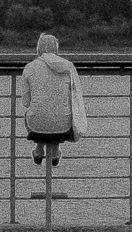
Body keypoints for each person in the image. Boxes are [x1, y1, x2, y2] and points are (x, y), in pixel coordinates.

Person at [19, 31, 88, 160]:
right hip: (63, 125)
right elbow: (74, 95)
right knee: (58, 111)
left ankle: (39, 149)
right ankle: (55, 151)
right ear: (56, 48)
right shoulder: (68, 66)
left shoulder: (29, 67)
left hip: (37, 125)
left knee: (36, 112)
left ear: (39, 48)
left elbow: (26, 102)